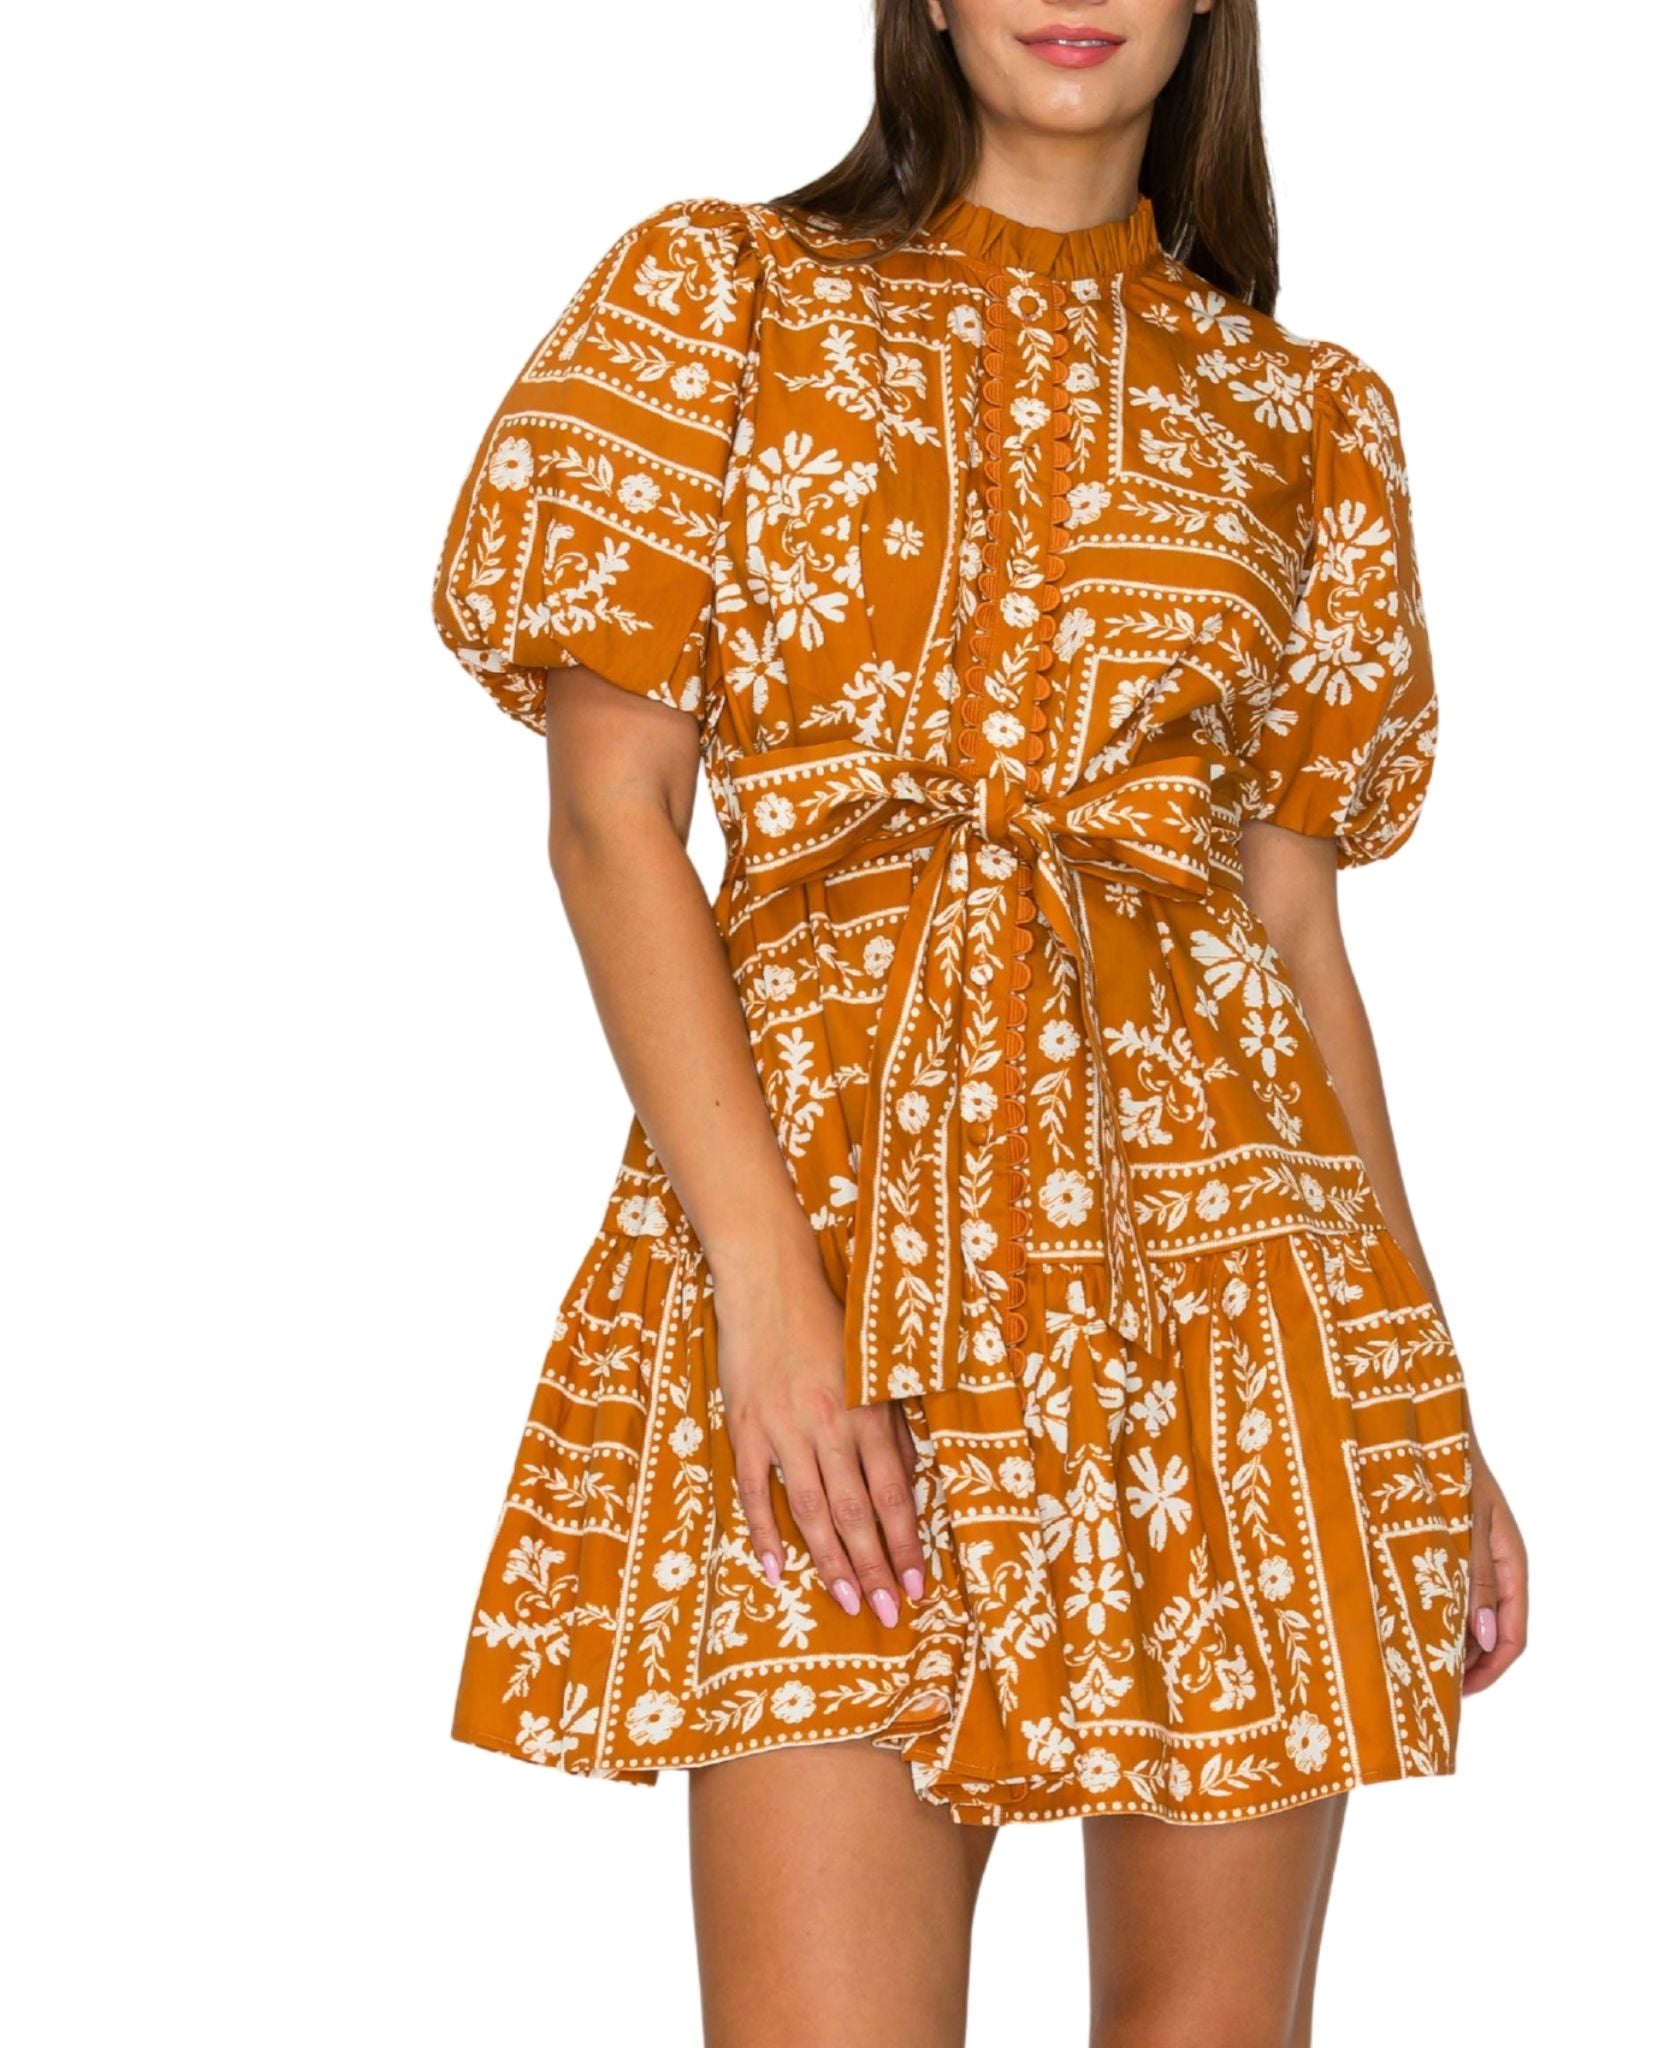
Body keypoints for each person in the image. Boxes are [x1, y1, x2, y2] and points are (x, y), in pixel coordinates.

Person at [428, 2, 1527, 2040]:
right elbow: (609, 819)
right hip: (841, 1268)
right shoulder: (719, 299)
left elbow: (1293, 925)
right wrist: (771, 1299)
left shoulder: (1304, 419)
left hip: (1228, 1301)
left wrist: (1421, 1394)